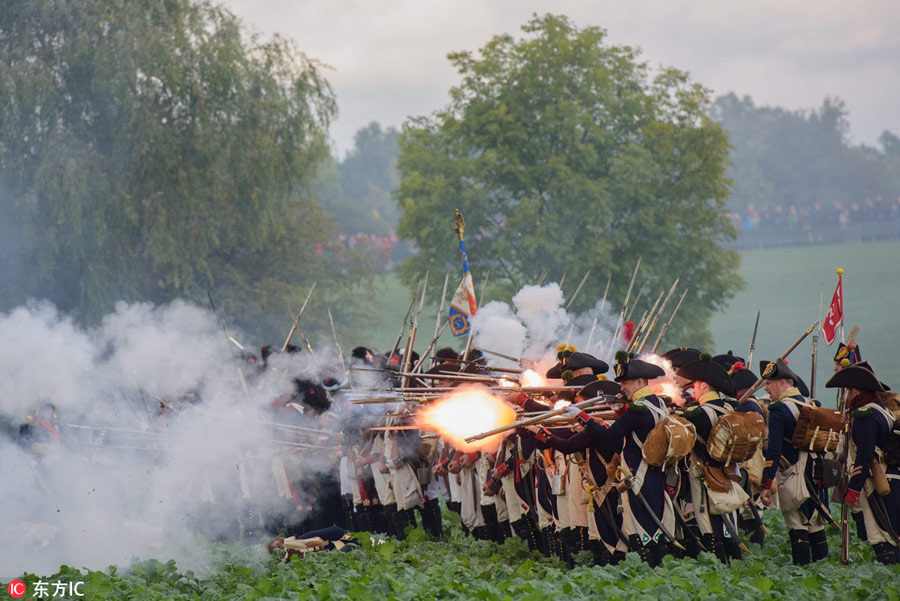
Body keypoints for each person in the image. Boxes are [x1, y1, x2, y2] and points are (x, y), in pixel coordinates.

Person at [826, 363, 899, 564]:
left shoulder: (865, 415)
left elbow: (864, 457)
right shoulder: (883, 410)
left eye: (848, 391)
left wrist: (853, 491)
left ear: (855, 390)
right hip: (890, 477)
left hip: (878, 481)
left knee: (882, 536)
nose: (846, 397)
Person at [758, 359, 828, 565]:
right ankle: (822, 571)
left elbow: (774, 450)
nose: (766, 387)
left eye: (769, 383)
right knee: (815, 524)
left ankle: (803, 573)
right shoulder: (810, 404)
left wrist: (766, 484)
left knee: (796, 524)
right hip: (816, 473)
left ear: (782, 382)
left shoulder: (779, 409)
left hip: (794, 474)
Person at [678, 355, 745, 562]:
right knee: (727, 522)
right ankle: (734, 565)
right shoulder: (729, 408)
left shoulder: (700, 413)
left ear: (704, 385)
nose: (694, 390)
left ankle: (718, 565)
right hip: (728, 470)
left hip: (705, 471)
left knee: (707, 521)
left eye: (696, 386)